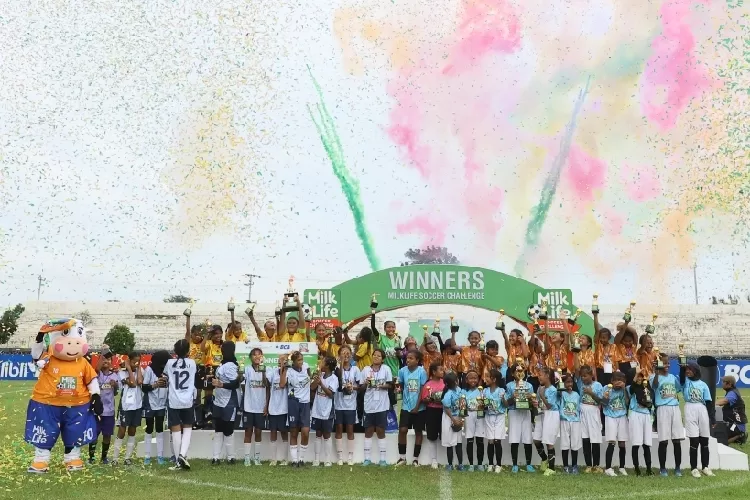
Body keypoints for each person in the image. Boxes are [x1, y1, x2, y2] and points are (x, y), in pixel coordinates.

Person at [165, 339, 198, 471]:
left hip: (174, 400)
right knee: (188, 427)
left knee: (176, 429)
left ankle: (179, 461)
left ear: (175, 351)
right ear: (188, 351)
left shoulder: (169, 363)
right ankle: (183, 455)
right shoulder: (192, 363)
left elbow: (166, 376)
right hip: (187, 400)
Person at [650, 352, 684, 477]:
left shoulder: (672, 378)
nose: (667, 365)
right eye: (664, 363)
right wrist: (657, 373)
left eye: (668, 362)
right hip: (662, 409)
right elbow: (654, 386)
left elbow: (678, 388)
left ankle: (678, 468)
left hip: (674, 408)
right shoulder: (653, 377)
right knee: (663, 441)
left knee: (676, 440)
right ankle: (662, 468)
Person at [681, 362, 714, 477]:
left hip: (702, 409)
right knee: (694, 441)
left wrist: (712, 418)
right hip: (690, 408)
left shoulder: (703, 385)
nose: (688, 372)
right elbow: (681, 376)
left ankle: (705, 467)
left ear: (696, 370)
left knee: (704, 440)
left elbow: (709, 402)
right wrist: (682, 364)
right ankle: (694, 468)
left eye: (690, 369)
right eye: (686, 370)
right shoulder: (685, 382)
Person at [360, 349, 392, 466]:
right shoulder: (365, 370)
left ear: (382, 359)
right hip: (369, 405)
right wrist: (366, 383)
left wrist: (381, 385)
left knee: (380, 430)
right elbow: (361, 388)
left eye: (379, 356)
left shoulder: (386, 369)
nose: (376, 357)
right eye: (374, 355)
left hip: (382, 406)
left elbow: (390, 385)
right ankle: (367, 459)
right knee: (368, 430)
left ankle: (383, 459)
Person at [211, 341, 242, 465]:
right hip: (218, 400)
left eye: (223, 349)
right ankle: (216, 457)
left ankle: (231, 457)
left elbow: (235, 383)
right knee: (218, 429)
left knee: (228, 429)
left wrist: (221, 384)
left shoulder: (230, 366)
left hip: (229, 401)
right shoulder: (223, 364)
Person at [396, 350, 427, 466]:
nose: (408, 360)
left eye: (411, 358)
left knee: (418, 432)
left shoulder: (422, 372)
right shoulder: (402, 371)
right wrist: (397, 389)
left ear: (417, 360)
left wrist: (417, 406)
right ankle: (402, 457)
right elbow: (400, 386)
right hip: (406, 406)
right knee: (402, 430)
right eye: (407, 358)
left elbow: (423, 390)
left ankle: (415, 459)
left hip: (419, 408)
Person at [89, 349, 119, 465]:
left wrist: (115, 385)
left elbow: (116, 392)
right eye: (104, 359)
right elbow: (96, 370)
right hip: (96, 411)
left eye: (108, 359)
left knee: (107, 435)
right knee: (94, 435)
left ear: (112, 362)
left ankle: (104, 457)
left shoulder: (115, 376)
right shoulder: (96, 373)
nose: (106, 361)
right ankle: (91, 457)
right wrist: (103, 354)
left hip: (109, 411)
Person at [112, 353, 143, 466]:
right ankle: (115, 458)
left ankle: (127, 457)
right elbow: (133, 384)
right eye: (134, 361)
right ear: (129, 360)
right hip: (126, 406)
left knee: (133, 430)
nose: (136, 363)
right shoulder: (121, 372)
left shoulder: (140, 370)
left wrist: (138, 368)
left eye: (138, 361)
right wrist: (129, 368)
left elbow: (139, 381)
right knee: (122, 430)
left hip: (137, 405)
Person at [282, 351, 312, 466]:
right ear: (293, 362)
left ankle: (301, 458)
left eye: (302, 359)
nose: (301, 362)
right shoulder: (289, 371)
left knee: (305, 432)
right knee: (293, 431)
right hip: (293, 402)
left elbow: (310, 380)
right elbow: (282, 384)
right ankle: (295, 460)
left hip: (305, 403)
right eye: (298, 360)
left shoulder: (306, 367)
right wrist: (284, 369)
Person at [505, 363, 535, 473]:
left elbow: (533, 402)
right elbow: (507, 403)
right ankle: (515, 464)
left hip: (526, 412)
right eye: (517, 371)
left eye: (522, 371)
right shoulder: (509, 386)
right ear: (513, 373)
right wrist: (513, 396)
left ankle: (529, 464)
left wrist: (530, 398)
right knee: (514, 438)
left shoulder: (529, 386)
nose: (519, 373)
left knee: (527, 439)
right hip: (514, 412)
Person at [142, 350, 170, 465]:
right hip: (150, 402)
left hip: (162, 403)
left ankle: (160, 455)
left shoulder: (167, 370)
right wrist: (155, 385)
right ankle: (147, 455)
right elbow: (144, 387)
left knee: (159, 428)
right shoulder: (149, 370)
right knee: (149, 428)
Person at [334, 345, 360, 466]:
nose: (346, 355)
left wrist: (352, 387)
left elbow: (360, 387)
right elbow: (337, 381)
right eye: (343, 353)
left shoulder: (355, 369)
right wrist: (339, 365)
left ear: (351, 355)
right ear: (339, 355)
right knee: (339, 428)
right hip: (338, 404)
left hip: (350, 405)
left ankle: (350, 456)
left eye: (348, 353)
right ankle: (340, 456)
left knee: (350, 429)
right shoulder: (336, 369)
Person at [311, 356, 339, 466]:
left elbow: (331, 394)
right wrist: (316, 379)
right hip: (317, 409)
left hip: (328, 410)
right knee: (318, 433)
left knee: (327, 434)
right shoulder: (320, 375)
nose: (320, 363)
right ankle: (316, 459)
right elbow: (312, 388)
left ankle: (327, 459)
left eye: (322, 361)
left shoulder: (334, 379)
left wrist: (321, 384)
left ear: (327, 366)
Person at [242, 347, 267, 466]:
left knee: (258, 431)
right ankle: (247, 457)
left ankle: (257, 458)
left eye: (259, 355)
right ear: (250, 358)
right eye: (254, 355)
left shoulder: (266, 369)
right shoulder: (246, 369)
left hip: (260, 407)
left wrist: (262, 371)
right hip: (249, 406)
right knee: (248, 431)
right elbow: (241, 382)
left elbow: (266, 385)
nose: (257, 357)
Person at [577, 365, 603, 473]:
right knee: (585, 438)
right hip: (583, 412)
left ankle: (596, 465)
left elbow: (600, 401)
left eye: (585, 376)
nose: (583, 378)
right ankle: (588, 465)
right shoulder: (580, 384)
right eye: (582, 376)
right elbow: (576, 369)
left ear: (591, 375)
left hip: (593, 412)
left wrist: (591, 393)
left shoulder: (597, 385)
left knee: (595, 439)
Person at [602, 371, 629, 477]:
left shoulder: (624, 390)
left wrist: (624, 388)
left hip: (622, 416)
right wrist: (606, 396)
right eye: (616, 380)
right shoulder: (607, 388)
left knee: (622, 443)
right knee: (612, 442)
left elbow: (627, 402)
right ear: (612, 381)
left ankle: (622, 467)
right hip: (610, 416)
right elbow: (603, 403)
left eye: (621, 380)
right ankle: (608, 468)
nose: (619, 382)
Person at [628, 369, 654, 476]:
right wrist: (635, 376)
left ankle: (648, 468)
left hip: (646, 415)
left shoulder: (647, 387)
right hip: (635, 415)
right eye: (638, 376)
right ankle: (637, 468)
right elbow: (632, 389)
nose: (639, 378)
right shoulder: (632, 388)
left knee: (646, 443)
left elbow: (651, 398)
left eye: (641, 376)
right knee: (636, 443)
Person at [535, 367, 560, 476]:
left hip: (551, 414)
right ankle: (544, 459)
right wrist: (535, 403)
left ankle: (552, 468)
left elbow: (549, 405)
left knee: (549, 442)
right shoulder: (540, 388)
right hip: (541, 414)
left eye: (540, 374)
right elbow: (539, 403)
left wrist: (541, 396)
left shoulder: (553, 390)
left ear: (547, 376)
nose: (538, 377)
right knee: (536, 440)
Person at [266, 354, 290, 465]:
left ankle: (285, 458)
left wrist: (283, 368)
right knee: (273, 432)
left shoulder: (288, 372)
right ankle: (273, 458)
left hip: (283, 408)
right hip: (273, 407)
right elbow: (267, 384)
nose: (282, 362)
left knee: (284, 432)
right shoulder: (271, 371)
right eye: (280, 360)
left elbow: (282, 384)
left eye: (284, 360)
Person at [183, 309, 205, 429]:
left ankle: (199, 420)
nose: (197, 336)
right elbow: (187, 331)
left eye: (199, 334)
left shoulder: (204, 343)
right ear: (191, 334)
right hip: (189, 370)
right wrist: (188, 318)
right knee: (190, 394)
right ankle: (189, 419)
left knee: (198, 395)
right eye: (195, 334)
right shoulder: (189, 342)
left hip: (200, 370)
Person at [421, 361, 445, 469]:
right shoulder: (428, 384)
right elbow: (424, 400)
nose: (442, 371)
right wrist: (430, 399)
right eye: (440, 370)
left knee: (444, 433)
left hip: (444, 411)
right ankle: (434, 460)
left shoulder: (445, 383)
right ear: (434, 372)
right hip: (431, 411)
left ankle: (448, 459)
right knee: (432, 436)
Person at [462, 369, 486, 471]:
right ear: (466, 380)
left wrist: (483, 405)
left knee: (480, 440)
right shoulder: (463, 392)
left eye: (475, 378)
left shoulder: (482, 391)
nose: (473, 380)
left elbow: (485, 404)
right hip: (469, 416)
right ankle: (471, 464)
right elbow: (462, 406)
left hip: (479, 416)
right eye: (471, 378)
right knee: (470, 440)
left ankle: (480, 463)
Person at [201, 325, 224, 428]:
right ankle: (207, 415)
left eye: (220, 333)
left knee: (221, 392)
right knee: (208, 394)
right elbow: (202, 348)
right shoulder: (209, 343)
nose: (218, 335)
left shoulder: (224, 344)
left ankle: (219, 415)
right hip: (210, 369)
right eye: (216, 333)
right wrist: (206, 334)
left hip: (221, 370)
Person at [484, 368, 506, 472]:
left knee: (497, 440)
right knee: (490, 441)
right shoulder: (484, 391)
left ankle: (498, 464)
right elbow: (482, 405)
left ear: (494, 379)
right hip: (489, 416)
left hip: (499, 417)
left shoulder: (501, 391)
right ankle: (490, 464)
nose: (486, 379)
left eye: (488, 377)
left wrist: (503, 399)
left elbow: (505, 405)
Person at [560, 374, 582, 474]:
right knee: (565, 443)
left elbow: (578, 408)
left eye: (571, 382)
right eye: (567, 382)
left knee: (574, 443)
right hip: (564, 420)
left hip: (575, 421)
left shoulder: (576, 395)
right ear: (563, 383)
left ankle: (574, 465)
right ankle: (565, 466)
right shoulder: (561, 394)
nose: (569, 384)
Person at [441, 372, 463, 471]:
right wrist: (453, 419)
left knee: (459, 442)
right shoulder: (448, 393)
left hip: (457, 417)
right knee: (449, 443)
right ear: (455, 381)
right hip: (448, 418)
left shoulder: (459, 390)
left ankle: (460, 464)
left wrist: (461, 418)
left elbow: (462, 404)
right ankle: (450, 464)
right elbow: (446, 408)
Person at [717, 375, 747, 444]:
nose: (722, 383)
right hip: (734, 424)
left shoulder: (732, 393)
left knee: (719, 440)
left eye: (724, 382)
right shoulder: (732, 392)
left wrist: (710, 405)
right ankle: (737, 436)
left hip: (736, 426)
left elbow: (723, 401)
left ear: (729, 384)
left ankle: (740, 435)